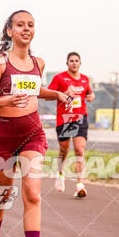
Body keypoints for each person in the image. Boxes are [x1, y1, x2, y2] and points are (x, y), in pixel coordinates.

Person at [0, 10, 72, 237]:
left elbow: (35, 90)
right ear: (9, 31)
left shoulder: (38, 62)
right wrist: (6, 100)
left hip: (33, 134)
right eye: (20, 25)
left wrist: (57, 94)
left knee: (32, 193)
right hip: (2, 138)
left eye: (31, 25)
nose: (26, 29)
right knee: (5, 195)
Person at [47, 52, 95, 197]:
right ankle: (61, 175)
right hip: (65, 119)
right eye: (71, 61)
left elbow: (89, 94)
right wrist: (63, 92)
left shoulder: (85, 79)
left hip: (80, 118)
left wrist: (92, 96)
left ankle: (80, 185)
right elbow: (48, 95)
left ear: (80, 63)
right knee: (64, 150)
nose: (74, 63)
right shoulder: (59, 78)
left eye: (76, 61)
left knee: (80, 150)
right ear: (67, 63)